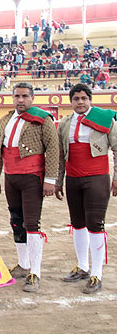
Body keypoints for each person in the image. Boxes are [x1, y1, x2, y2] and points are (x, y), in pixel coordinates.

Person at [0, 82, 59, 292]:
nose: (20, 100)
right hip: (11, 177)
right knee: (16, 221)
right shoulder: (6, 119)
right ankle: (23, 264)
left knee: (32, 223)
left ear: (32, 98)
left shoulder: (43, 119)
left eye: (25, 96)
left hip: (32, 177)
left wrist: (50, 180)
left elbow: (53, 149)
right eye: (17, 96)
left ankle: (35, 272)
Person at [55, 84, 117, 294]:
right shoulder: (64, 123)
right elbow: (62, 156)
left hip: (97, 178)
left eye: (83, 98)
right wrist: (58, 181)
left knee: (95, 224)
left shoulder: (105, 119)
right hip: (73, 179)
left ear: (90, 99)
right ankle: (82, 267)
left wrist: (116, 178)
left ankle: (96, 274)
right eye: (76, 99)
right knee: (78, 223)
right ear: (70, 101)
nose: (80, 102)